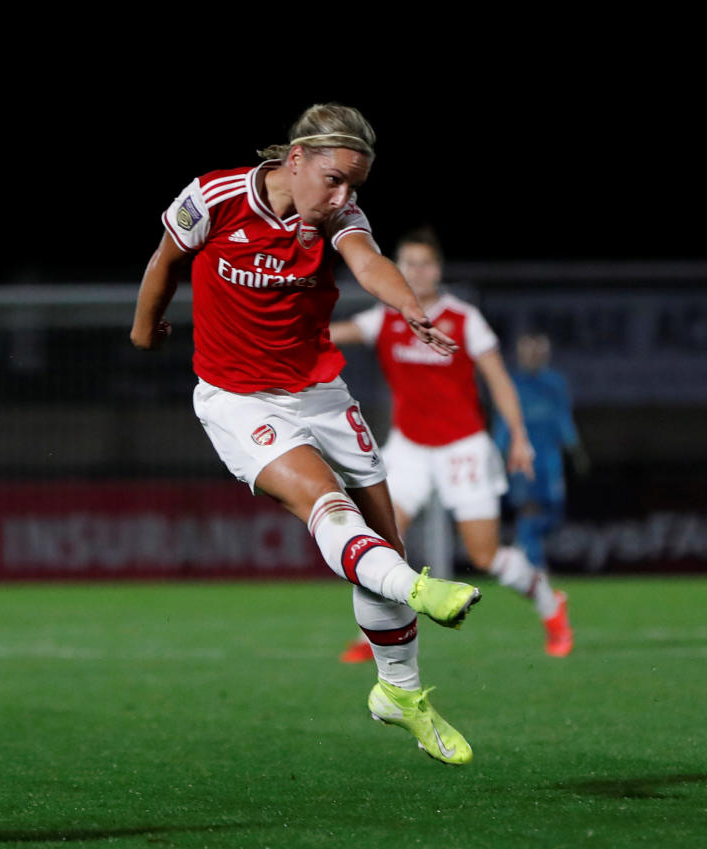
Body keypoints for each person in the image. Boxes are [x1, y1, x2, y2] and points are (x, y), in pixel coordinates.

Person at [130, 103, 481, 765]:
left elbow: (369, 261)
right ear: (295, 160)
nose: (344, 196)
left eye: (356, 186)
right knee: (331, 507)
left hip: (318, 393)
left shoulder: (340, 217)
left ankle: (398, 694)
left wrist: (410, 306)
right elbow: (164, 260)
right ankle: (419, 590)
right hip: (238, 399)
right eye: (335, 179)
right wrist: (145, 330)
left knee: (385, 540)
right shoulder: (215, 198)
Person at [330, 227, 574, 659]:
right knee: (377, 540)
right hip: (409, 448)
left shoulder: (463, 319)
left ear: (437, 269)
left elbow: (498, 379)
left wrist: (518, 436)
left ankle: (550, 604)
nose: (417, 272)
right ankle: (378, 635)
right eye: (409, 264)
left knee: (484, 555)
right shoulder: (386, 317)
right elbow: (335, 334)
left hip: (463, 448)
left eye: (425, 264)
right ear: (397, 269)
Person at [494, 331, 588, 574]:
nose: (534, 356)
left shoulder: (556, 383)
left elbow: (563, 418)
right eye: (529, 351)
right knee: (528, 507)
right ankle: (533, 564)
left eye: (539, 351)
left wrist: (575, 450)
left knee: (554, 512)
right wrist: (499, 453)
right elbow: (503, 422)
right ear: (520, 354)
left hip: (550, 459)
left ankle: (522, 548)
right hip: (523, 457)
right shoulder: (511, 383)